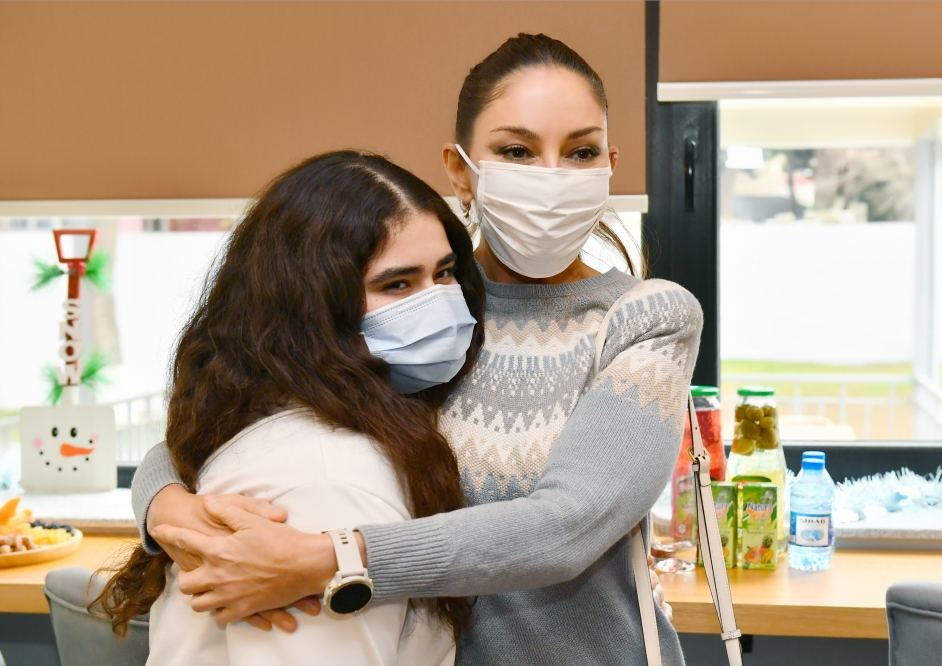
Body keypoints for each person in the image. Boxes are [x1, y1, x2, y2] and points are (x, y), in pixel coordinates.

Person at [132, 34, 702, 664]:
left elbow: (568, 525)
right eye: (516, 150)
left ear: (609, 165)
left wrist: (332, 559)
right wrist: (167, 507)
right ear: (460, 168)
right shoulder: (419, 307)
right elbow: (248, 410)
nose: (550, 178)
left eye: (580, 152)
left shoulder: (647, 317)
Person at [92, 150, 486, 665]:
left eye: (446, 273)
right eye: (397, 284)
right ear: (311, 305)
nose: (438, 304)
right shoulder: (331, 478)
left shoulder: (282, 419)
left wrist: (159, 496)